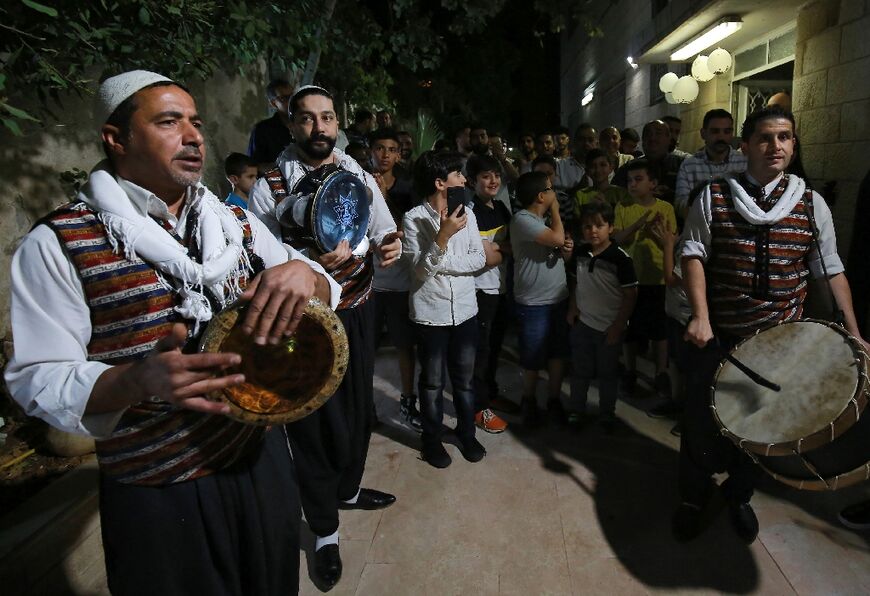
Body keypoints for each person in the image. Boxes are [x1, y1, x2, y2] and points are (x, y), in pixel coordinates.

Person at [5, 70, 343, 595]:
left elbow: (322, 290)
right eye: (169, 122)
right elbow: (37, 379)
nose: (194, 136)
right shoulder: (59, 243)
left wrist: (308, 276)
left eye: (196, 122)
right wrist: (136, 381)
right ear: (116, 139)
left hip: (260, 461)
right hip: (159, 490)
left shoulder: (234, 225)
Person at [675, 105, 868, 545]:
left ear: (793, 145)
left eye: (784, 137)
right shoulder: (714, 195)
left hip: (783, 344)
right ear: (746, 146)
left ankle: (740, 496)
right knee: (701, 426)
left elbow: (830, 271)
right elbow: (691, 254)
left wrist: (854, 333)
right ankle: (691, 496)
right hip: (719, 338)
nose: (775, 146)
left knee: (760, 431)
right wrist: (701, 317)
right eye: (764, 137)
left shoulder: (809, 202)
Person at [249, 85, 402, 590]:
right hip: (306, 319)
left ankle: (349, 488)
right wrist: (310, 265)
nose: (320, 128)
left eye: (329, 118)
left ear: (338, 123)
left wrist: (390, 245)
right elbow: (260, 255)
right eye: (309, 119)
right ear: (292, 125)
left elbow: (383, 230)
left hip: (358, 306)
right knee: (314, 417)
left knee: (358, 408)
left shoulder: (357, 172)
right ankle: (323, 529)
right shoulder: (269, 183)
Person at [403, 151, 487, 468]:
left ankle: (467, 434)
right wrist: (443, 235)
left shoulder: (468, 213)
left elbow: (479, 259)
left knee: (464, 381)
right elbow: (420, 272)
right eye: (458, 175)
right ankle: (432, 441)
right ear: (440, 183)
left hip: (465, 311)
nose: (464, 180)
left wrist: (443, 264)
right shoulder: (413, 218)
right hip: (430, 315)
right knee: (433, 382)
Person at [566, 202, 638, 432]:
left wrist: (618, 326)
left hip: (609, 328)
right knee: (580, 372)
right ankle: (577, 410)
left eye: (599, 225)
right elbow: (576, 283)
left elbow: (630, 295)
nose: (593, 231)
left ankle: (607, 413)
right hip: (583, 324)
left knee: (608, 374)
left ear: (611, 228)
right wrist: (573, 308)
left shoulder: (620, 258)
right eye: (587, 226)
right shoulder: (580, 253)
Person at [511, 171, 573, 425]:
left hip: (558, 297)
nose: (553, 193)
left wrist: (565, 250)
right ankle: (529, 400)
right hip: (534, 302)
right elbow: (557, 238)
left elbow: (561, 253)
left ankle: (554, 399)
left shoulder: (544, 221)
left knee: (558, 353)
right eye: (550, 190)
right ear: (541, 196)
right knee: (533, 357)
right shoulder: (522, 219)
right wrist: (557, 209)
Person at [369, 128, 421, 430]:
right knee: (367, 349)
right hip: (370, 284)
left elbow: (408, 229)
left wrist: (384, 198)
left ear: (399, 154)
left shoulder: (407, 188)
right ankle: (366, 405)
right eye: (379, 148)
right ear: (370, 151)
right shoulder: (359, 183)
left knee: (404, 346)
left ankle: (408, 400)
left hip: (401, 284)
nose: (385, 155)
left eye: (391, 149)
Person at [613, 159, 676, 398]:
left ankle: (661, 372)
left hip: (658, 278)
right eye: (629, 180)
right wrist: (639, 225)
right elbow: (617, 240)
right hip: (631, 279)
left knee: (659, 330)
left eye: (638, 179)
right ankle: (630, 370)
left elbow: (670, 241)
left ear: (653, 183)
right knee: (631, 329)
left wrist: (657, 235)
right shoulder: (623, 207)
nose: (632, 184)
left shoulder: (666, 208)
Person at [467, 154, 513, 433]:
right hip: (479, 290)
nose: (493, 180)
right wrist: (501, 249)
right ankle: (478, 407)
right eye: (486, 176)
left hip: (501, 288)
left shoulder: (500, 208)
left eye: (496, 174)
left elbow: (510, 246)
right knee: (480, 351)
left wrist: (499, 248)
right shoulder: (470, 211)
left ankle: (491, 393)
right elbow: (481, 256)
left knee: (495, 346)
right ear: (473, 181)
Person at [674, 109, 747, 217]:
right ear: (703, 134)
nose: (721, 137)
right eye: (715, 131)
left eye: (726, 132)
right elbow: (680, 204)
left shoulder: (744, 162)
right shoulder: (689, 165)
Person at [613, 120, 685, 206]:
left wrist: (671, 194)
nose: (652, 138)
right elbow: (615, 196)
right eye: (648, 134)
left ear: (669, 139)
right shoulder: (628, 168)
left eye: (658, 133)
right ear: (643, 141)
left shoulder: (683, 166)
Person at [247, 78, 294, 172]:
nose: (291, 101)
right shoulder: (263, 130)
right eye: (284, 98)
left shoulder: (306, 124)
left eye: (292, 96)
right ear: (273, 103)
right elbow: (253, 166)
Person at [573, 148, 631, 212]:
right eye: (592, 166)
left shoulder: (622, 194)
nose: (598, 170)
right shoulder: (580, 195)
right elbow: (577, 220)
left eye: (603, 165)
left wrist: (606, 207)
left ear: (611, 168)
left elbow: (627, 218)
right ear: (587, 171)